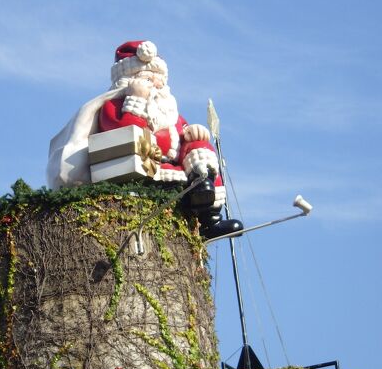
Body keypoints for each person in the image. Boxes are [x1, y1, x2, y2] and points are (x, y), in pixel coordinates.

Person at [47, 40, 242, 239]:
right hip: (139, 171)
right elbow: (128, 132)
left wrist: (193, 134)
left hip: (174, 169)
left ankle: (208, 214)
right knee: (138, 147)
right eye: (147, 77)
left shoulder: (170, 114)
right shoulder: (113, 107)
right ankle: (194, 194)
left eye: (158, 78)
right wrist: (136, 100)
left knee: (200, 146)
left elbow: (182, 138)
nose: (155, 84)